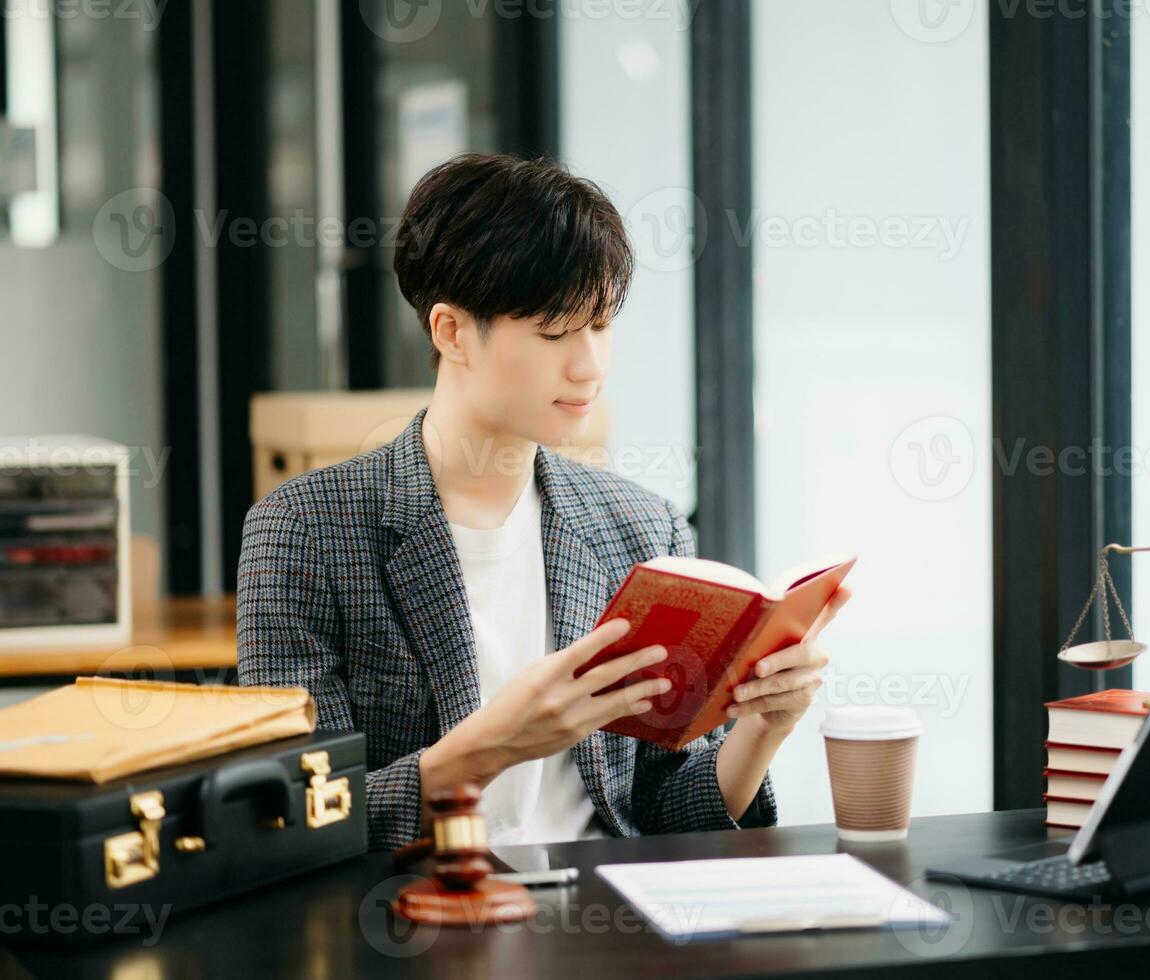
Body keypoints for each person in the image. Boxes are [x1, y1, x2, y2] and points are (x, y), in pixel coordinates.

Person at [236, 153, 851, 850]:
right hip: (420, 921)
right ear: (451, 332)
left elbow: (662, 810)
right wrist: (492, 745)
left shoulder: (642, 526)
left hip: (613, 924)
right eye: (555, 333)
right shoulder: (304, 531)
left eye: (602, 324)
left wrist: (762, 729)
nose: (590, 364)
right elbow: (291, 819)